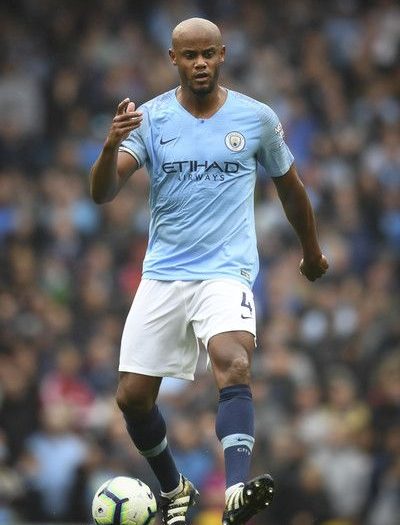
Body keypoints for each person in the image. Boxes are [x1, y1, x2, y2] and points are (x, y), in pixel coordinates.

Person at [90, 17, 328, 525]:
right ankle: (174, 488)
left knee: (233, 361)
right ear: (173, 59)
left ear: (222, 55)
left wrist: (311, 251)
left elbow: (291, 187)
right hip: (164, 273)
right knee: (132, 398)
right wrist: (110, 147)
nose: (200, 64)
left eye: (208, 54)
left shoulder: (256, 118)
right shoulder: (150, 119)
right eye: (189, 55)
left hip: (226, 270)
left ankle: (236, 489)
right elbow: (104, 192)